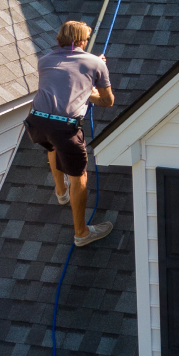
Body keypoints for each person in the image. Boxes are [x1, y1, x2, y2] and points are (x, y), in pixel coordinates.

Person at [26, 20, 116, 247]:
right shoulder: (95, 63)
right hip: (64, 128)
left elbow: (65, 77)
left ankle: (61, 192)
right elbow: (107, 101)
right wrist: (92, 89)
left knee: (52, 146)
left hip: (36, 122)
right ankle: (81, 233)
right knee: (80, 177)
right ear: (83, 41)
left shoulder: (44, 61)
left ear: (59, 39)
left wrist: (90, 72)